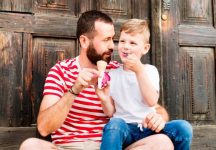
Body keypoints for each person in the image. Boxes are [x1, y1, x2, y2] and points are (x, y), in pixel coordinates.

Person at [19, 10, 174, 150]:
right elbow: (44, 128)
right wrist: (74, 90)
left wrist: (158, 118)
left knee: (162, 142)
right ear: (85, 41)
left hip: (112, 146)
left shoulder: (118, 70)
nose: (112, 46)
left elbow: (153, 106)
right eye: (106, 39)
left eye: (113, 39)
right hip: (68, 147)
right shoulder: (61, 71)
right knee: (31, 146)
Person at [96, 19, 193, 150]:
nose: (126, 46)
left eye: (133, 43)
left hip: (148, 127)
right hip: (125, 129)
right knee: (114, 124)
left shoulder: (149, 70)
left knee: (183, 127)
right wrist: (103, 98)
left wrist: (139, 71)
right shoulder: (113, 74)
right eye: (122, 41)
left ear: (145, 48)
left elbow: (151, 101)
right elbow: (110, 112)